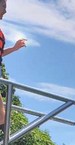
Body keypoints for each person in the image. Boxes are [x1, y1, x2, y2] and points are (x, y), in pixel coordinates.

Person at [0, 1, 27, 130]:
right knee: (2, 117)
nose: (5, 11)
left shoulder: (1, 35)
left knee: (3, 118)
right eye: (3, 7)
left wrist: (14, 48)